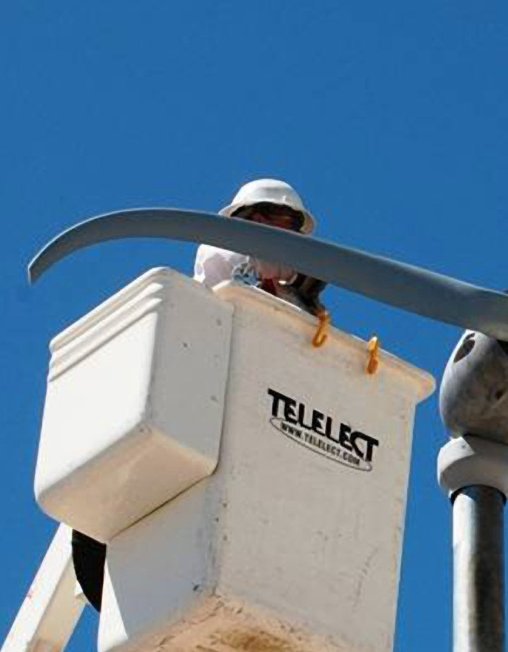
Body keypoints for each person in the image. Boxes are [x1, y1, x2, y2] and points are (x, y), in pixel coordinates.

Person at [73, 178, 326, 612]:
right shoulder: (209, 280)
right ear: (246, 224)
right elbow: (221, 281)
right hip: (194, 410)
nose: (275, 235)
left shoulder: (299, 312)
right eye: (267, 222)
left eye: (285, 227)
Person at [194, 178, 328, 315]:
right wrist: (304, 272)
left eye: (296, 224)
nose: (294, 232)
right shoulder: (219, 246)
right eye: (288, 220)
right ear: (259, 219)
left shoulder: (278, 283)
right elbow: (253, 261)